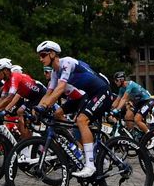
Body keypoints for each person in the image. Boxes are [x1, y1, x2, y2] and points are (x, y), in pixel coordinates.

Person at [35, 40, 112, 178]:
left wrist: (45, 106)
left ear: (52, 54)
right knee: (66, 118)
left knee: (82, 121)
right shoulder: (54, 72)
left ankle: (90, 165)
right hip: (90, 95)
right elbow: (48, 93)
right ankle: (97, 157)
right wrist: (37, 109)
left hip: (102, 91)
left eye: (43, 55)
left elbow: (59, 89)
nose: (40, 59)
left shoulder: (67, 63)